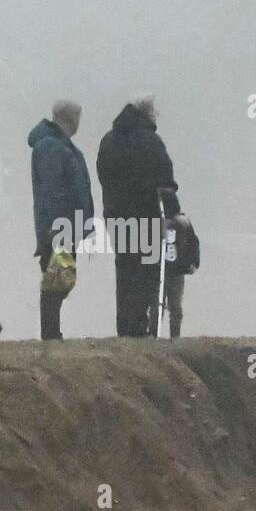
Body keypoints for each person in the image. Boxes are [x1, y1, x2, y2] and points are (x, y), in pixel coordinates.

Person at [96, 94, 177, 337]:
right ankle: (139, 328)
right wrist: (174, 212)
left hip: (116, 217)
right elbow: (165, 181)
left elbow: (103, 177)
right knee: (145, 273)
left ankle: (125, 329)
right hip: (146, 216)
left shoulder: (108, 140)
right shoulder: (151, 141)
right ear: (148, 112)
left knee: (124, 271)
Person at [28, 100, 94, 340]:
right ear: (70, 118)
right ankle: (50, 332)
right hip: (60, 227)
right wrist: (59, 229)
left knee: (61, 278)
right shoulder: (51, 147)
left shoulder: (59, 145)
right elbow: (52, 190)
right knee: (56, 280)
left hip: (67, 226)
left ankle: (52, 331)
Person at [151, 188, 199, 338]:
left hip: (176, 271)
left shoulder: (182, 223)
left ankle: (175, 336)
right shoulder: (154, 223)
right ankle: (153, 334)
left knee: (175, 307)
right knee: (156, 306)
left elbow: (193, 244)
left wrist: (193, 262)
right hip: (158, 270)